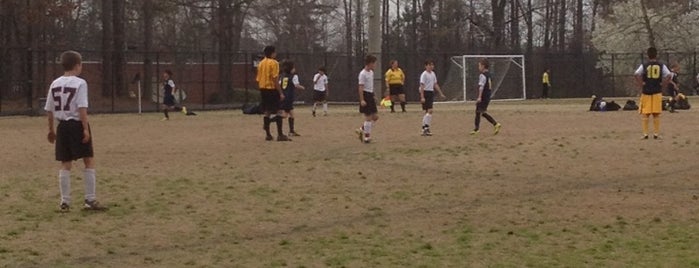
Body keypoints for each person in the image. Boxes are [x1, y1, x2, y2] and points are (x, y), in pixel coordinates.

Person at [44, 50, 107, 211]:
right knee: (88, 160)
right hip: (76, 124)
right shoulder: (80, 83)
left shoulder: (55, 83)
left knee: (65, 163)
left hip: (62, 126)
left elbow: (49, 110)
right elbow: (82, 108)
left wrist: (51, 130)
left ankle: (65, 202)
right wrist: (85, 129)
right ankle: (90, 200)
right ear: (78, 65)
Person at [634, 47, 672, 139]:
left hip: (646, 91)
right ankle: (656, 134)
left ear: (648, 55)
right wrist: (663, 84)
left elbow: (636, 74)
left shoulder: (644, 65)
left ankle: (645, 134)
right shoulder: (661, 65)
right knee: (656, 114)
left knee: (645, 114)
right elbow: (669, 75)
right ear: (656, 55)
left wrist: (641, 83)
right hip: (657, 91)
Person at [256, 45, 290, 141]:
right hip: (271, 89)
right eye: (275, 52)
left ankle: (268, 134)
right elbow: (275, 78)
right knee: (279, 110)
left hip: (263, 89)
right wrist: (280, 92)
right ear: (272, 53)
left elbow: (258, 78)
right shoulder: (274, 63)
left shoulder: (261, 63)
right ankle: (280, 134)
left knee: (267, 111)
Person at [470, 58, 502, 135]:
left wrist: (479, 97)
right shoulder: (489, 75)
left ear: (483, 66)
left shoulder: (482, 75)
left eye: (479, 66)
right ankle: (495, 124)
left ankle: (476, 129)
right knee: (482, 112)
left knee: (478, 112)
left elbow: (481, 86)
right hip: (488, 95)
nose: (479, 67)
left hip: (484, 96)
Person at [355, 55, 379, 144]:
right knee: (368, 117)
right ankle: (367, 137)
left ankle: (361, 129)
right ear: (370, 63)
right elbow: (360, 87)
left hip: (370, 95)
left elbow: (371, 86)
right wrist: (362, 99)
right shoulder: (362, 74)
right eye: (374, 63)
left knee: (375, 117)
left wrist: (374, 95)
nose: (375, 65)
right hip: (365, 95)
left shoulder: (371, 73)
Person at [418, 60, 446, 136]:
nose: (431, 67)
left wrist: (441, 93)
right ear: (426, 66)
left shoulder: (433, 74)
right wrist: (422, 96)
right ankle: (426, 128)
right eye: (429, 65)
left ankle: (425, 128)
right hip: (425, 92)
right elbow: (422, 86)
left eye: (432, 65)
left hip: (430, 92)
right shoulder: (424, 74)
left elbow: (435, 84)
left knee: (427, 111)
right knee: (430, 110)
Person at [279, 60, 305, 136]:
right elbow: (296, 85)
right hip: (289, 97)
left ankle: (291, 131)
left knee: (291, 114)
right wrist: (302, 87)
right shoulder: (294, 76)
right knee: (285, 115)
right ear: (291, 69)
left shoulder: (282, 76)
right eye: (293, 68)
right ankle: (270, 121)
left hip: (283, 96)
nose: (295, 69)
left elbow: (280, 84)